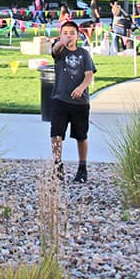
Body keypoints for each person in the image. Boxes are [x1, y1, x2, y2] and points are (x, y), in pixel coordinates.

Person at [49, 20, 96, 184]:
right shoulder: (59, 51)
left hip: (80, 102)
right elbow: (55, 50)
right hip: (60, 99)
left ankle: (82, 168)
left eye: (72, 33)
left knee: (81, 135)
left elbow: (89, 75)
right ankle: (57, 165)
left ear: (78, 35)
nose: (68, 35)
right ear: (60, 35)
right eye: (65, 32)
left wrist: (82, 88)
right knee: (56, 134)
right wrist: (60, 42)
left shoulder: (84, 53)